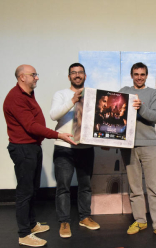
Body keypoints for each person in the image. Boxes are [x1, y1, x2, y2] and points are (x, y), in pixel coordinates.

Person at [3, 64, 76, 247]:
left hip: (32, 147)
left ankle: (31, 224)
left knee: (32, 188)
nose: (37, 77)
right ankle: (24, 234)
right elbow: (31, 126)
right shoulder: (16, 98)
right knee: (25, 192)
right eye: (33, 75)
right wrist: (57, 134)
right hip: (23, 149)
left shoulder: (27, 94)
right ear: (22, 77)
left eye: (36, 74)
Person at [119, 62, 156, 241]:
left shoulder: (154, 94)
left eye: (142, 74)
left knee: (154, 187)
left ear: (147, 76)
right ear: (131, 75)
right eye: (136, 74)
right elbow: (117, 115)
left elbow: (155, 117)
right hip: (128, 144)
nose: (139, 77)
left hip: (148, 144)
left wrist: (140, 106)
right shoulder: (124, 91)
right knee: (134, 187)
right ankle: (140, 220)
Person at [49, 63, 100, 239]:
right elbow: (54, 115)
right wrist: (73, 100)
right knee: (63, 187)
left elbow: (98, 120)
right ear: (69, 76)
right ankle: (64, 221)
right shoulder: (61, 94)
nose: (77, 75)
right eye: (73, 73)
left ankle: (84, 217)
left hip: (85, 148)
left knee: (85, 186)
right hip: (64, 148)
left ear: (85, 76)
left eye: (80, 73)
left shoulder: (93, 96)